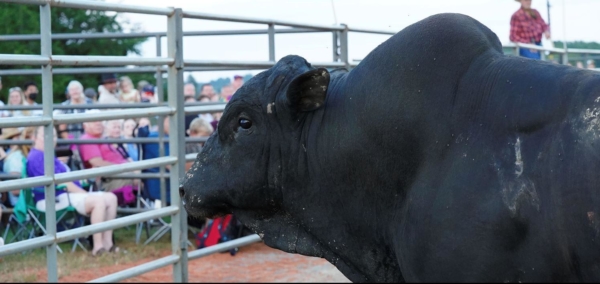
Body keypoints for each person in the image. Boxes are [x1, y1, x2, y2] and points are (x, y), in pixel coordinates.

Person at [27, 125, 118, 256]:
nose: (51, 139)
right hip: (54, 198)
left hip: (66, 194)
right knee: (99, 201)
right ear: (34, 138)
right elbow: (62, 182)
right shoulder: (37, 157)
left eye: (53, 135)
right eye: (45, 135)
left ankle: (108, 244)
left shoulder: (48, 155)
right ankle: (98, 248)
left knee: (111, 198)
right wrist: (85, 194)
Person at [79, 116, 137, 205]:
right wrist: (123, 168)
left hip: (118, 173)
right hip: (109, 179)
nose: (98, 123)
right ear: (85, 126)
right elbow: (97, 162)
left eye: (100, 121)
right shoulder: (88, 139)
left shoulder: (102, 139)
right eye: (94, 121)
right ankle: (147, 208)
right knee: (142, 175)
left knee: (144, 173)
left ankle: (146, 208)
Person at [137, 117, 171, 203]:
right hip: (162, 187)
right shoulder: (155, 138)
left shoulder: (166, 137)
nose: (176, 124)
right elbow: (171, 164)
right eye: (170, 121)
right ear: (161, 123)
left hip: (168, 183)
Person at [1, 127, 35, 208]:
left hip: (27, 200)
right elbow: (15, 190)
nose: (20, 138)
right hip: (23, 204)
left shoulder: (19, 156)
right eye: (17, 137)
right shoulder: (15, 158)